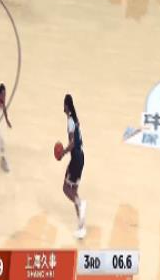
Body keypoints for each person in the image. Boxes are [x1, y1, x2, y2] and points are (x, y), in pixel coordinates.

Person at [61, 94, 86, 239]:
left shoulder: (70, 121)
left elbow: (72, 143)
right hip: (81, 157)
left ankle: (81, 204)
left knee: (66, 188)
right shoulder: (75, 120)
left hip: (76, 158)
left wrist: (62, 153)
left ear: (66, 106)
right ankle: (81, 227)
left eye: (63, 104)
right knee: (74, 191)